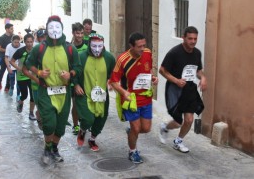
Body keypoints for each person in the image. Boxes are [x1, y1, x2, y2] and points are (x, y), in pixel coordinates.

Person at [25, 15, 82, 164]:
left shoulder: (70, 48)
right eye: (51, 27)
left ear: (62, 28)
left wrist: (70, 74)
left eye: (57, 27)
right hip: (46, 92)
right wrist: (38, 73)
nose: (54, 30)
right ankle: (47, 147)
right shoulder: (40, 48)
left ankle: (54, 149)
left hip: (64, 92)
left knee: (60, 126)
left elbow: (78, 67)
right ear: (47, 28)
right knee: (49, 123)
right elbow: (28, 64)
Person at [110, 32, 158, 164]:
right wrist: (123, 92)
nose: (142, 49)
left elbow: (147, 72)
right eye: (139, 46)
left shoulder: (148, 53)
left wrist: (153, 78)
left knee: (146, 129)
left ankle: (131, 133)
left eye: (144, 45)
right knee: (136, 128)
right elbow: (113, 81)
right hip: (131, 100)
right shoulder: (122, 59)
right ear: (131, 46)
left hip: (146, 98)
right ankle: (132, 152)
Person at [158, 26, 207, 153]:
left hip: (189, 89)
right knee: (178, 122)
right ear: (183, 38)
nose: (193, 41)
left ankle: (178, 141)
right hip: (174, 89)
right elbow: (162, 70)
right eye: (190, 38)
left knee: (189, 120)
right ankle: (164, 127)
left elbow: (198, 70)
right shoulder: (174, 53)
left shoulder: (197, 53)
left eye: (195, 39)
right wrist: (176, 80)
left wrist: (202, 78)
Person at [75, 33, 115, 151]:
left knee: (100, 119)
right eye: (94, 46)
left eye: (100, 46)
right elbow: (74, 72)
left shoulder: (109, 58)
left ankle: (92, 139)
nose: (97, 49)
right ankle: (82, 130)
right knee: (88, 119)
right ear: (89, 45)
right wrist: (76, 84)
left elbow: (113, 73)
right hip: (85, 93)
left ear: (103, 45)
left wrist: (111, 81)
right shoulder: (81, 57)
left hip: (102, 95)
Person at [22, 28, 47, 129]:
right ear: (38, 38)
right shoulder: (35, 51)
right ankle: (39, 115)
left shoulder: (55, 50)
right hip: (36, 85)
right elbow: (24, 69)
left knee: (48, 107)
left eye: (46, 37)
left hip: (50, 86)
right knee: (40, 106)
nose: (44, 39)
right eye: (42, 37)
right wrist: (36, 78)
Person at [10, 32, 36, 120]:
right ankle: (20, 102)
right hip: (21, 77)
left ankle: (31, 113)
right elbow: (12, 61)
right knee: (24, 95)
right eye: (27, 42)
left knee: (33, 96)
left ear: (33, 42)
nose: (29, 43)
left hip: (32, 76)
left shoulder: (35, 51)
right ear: (24, 42)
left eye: (31, 42)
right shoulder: (20, 51)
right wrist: (18, 68)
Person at [70, 22, 87, 135]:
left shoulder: (88, 45)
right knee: (75, 104)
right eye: (77, 33)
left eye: (82, 33)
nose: (80, 36)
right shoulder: (69, 48)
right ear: (73, 33)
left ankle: (85, 122)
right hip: (73, 80)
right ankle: (76, 125)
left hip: (86, 80)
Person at [5, 35, 24, 100]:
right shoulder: (8, 46)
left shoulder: (22, 46)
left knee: (19, 81)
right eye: (15, 42)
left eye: (18, 42)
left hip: (19, 66)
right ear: (12, 41)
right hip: (11, 65)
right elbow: (6, 57)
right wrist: (8, 67)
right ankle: (11, 87)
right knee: (12, 79)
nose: (16, 44)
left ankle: (18, 94)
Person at [0, 23, 13, 91]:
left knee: (10, 71)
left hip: (11, 57)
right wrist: (7, 50)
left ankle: (7, 86)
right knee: (2, 70)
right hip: (3, 56)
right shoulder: (2, 37)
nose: (12, 30)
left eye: (13, 28)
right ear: (7, 29)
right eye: (11, 29)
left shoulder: (13, 37)